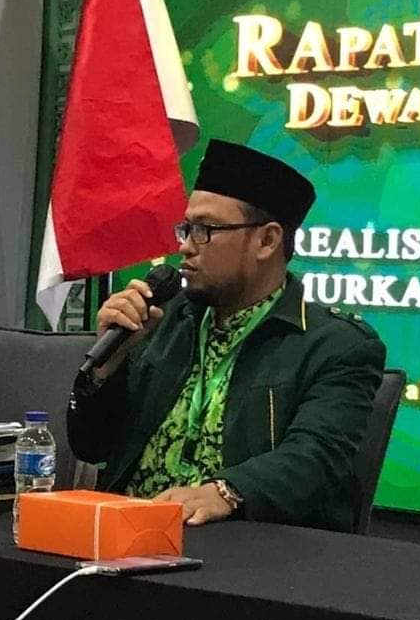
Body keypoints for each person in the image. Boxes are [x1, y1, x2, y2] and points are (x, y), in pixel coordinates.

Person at [67, 139, 386, 532]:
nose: (185, 246)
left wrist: (226, 491)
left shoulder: (335, 345)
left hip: (241, 546)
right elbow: (91, 446)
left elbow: (315, 458)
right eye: (186, 229)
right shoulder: (162, 320)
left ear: (267, 241)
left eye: (206, 230)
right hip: (126, 534)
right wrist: (107, 368)